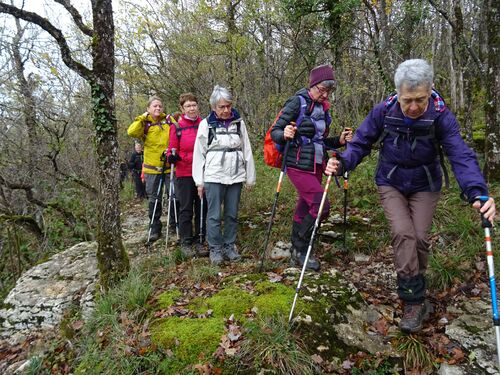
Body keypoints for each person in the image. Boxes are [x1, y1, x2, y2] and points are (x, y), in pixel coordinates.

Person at [325, 58, 496, 333]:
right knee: (403, 233)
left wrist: (477, 191)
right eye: (408, 100)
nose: (414, 107)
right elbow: (361, 141)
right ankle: (413, 300)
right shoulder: (385, 110)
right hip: (391, 181)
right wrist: (343, 162)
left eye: (420, 99)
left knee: (419, 238)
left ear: (430, 92)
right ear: (398, 94)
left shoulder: (441, 115)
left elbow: (459, 154)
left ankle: (417, 282)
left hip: (425, 183)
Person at [270, 64, 353, 271]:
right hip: (297, 163)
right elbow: (275, 132)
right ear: (313, 85)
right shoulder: (296, 102)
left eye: (328, 91)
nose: (324, 95)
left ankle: (297, 252)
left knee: (306, 207)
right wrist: (286, 133)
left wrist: (339, 141)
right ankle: (301, 247)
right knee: (322, 206)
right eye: (321, 90)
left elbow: (321, 141)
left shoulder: (324, 110)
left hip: (317, 162)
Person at [192, 85, 256, 265]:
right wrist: (199, 181)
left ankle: (229, 246)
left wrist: (250, 178)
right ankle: (215, 249)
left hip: (236, 176)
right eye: (222, 107)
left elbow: (247, 150)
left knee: (231, 214)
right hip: (213, 176)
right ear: (214, 107)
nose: (226, 110)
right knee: (213, 215)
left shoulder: (239, 122)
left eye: (228, 106)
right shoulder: (206, 124)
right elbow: (199, 154)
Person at [127, 96, 177, 243]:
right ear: (148, 108)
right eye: (154, 106)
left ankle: (174, 225)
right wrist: (142, 117)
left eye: (159, 106)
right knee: (154, 199)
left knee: (174, 196)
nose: (157, 108)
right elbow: (131, 132)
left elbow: (178, 134)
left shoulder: (168, 121)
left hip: (169, 167)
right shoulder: (144, 123)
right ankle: (155, 228)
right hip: (151, 168)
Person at [166, 93, 208, 258]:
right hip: (184, 172)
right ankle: (185, 242)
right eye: (188, 106)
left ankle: (199, 240)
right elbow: (171, 148)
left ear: (198, 106)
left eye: (194, 105)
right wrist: (171, 156)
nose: (192, 108)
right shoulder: (176, 127)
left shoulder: (205, 124)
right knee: (185, 208)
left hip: (203, 172)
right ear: (182, 109)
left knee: (201, 207)